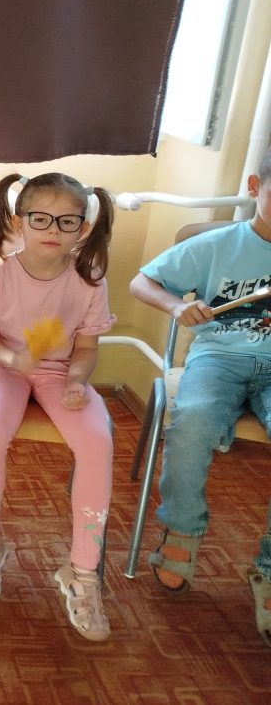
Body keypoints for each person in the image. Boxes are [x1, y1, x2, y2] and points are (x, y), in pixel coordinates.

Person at [0, 172, 116, 641]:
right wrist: (12, 359)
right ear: (18, 222)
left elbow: (86, 348)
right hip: (4, 368)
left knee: (98, 441)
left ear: (82, 228)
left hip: (59, 371)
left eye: (67, 221)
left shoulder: (88, 280)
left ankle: (82, 573)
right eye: (41, 218)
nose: (53, 229)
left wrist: (77, 380)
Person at [129, 148, 271, 648]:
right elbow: (141, 281)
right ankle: (182, 532)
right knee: (189, 424)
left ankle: (270, 567)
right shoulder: (217, 244)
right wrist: (176, 306)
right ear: (254, 187)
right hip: (219, 358)